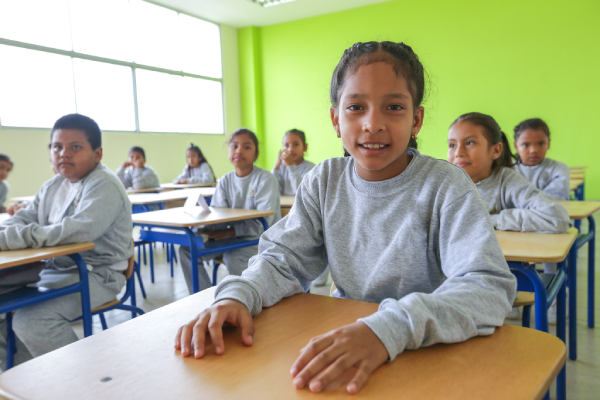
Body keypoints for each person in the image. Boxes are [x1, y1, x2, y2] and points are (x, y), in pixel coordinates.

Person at [175, 41, 516, 394]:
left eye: (394, 107)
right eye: (355, 107)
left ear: (416, 120)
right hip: (348, 347)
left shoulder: (446, 185)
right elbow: (282, 261)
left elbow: (488, 287)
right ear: (336, 120)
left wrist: (387, 329)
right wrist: (237, 295)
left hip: (428, 351)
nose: (373, 124)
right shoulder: (324, 181)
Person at [0, 113, 133, 370]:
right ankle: (19, 378)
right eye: (57, 147)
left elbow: (74, 232)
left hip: (98, 274)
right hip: (54, 270)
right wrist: (5, 234)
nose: (64, 153)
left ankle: (83, 381)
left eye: (75, 147)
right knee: (4, 309)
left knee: (32, 321)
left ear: (97, 154)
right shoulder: (52, 186)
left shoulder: (104, 185)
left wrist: (8, 240)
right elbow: (24, 218)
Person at [178, 129, 280, 294]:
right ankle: (202, 300)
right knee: (187, 249)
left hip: (260, 240)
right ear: (229, 152)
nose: (239, 151)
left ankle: (249, 298)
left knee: (233, 257)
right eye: (234, 146)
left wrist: (231, 231)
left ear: (256, 154)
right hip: (231, 238)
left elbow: (264, 224)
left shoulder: (265, 179)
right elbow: (219, 216)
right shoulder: (225, 180)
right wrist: (205, 229)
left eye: (246, 147)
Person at [513, 118, 570, 200]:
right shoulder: (508, 170)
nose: (533, 150)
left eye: (541, 144)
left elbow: (558, 198)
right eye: (526, 145)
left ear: (548, 144)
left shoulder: (559, 169)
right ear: (516, 146)